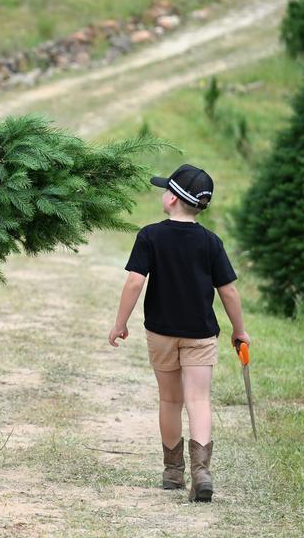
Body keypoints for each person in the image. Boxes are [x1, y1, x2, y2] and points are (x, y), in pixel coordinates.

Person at [108, 164, 250, 502]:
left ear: (172, 198)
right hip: (200, 333)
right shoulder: (210, 242)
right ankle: (202, 471)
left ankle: (173, 472)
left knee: (171, 399)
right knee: (198, 400)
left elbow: (134, 282)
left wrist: (120, 323)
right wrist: (239, 331)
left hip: (161, 332)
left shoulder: (150, 235)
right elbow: (228, 291)